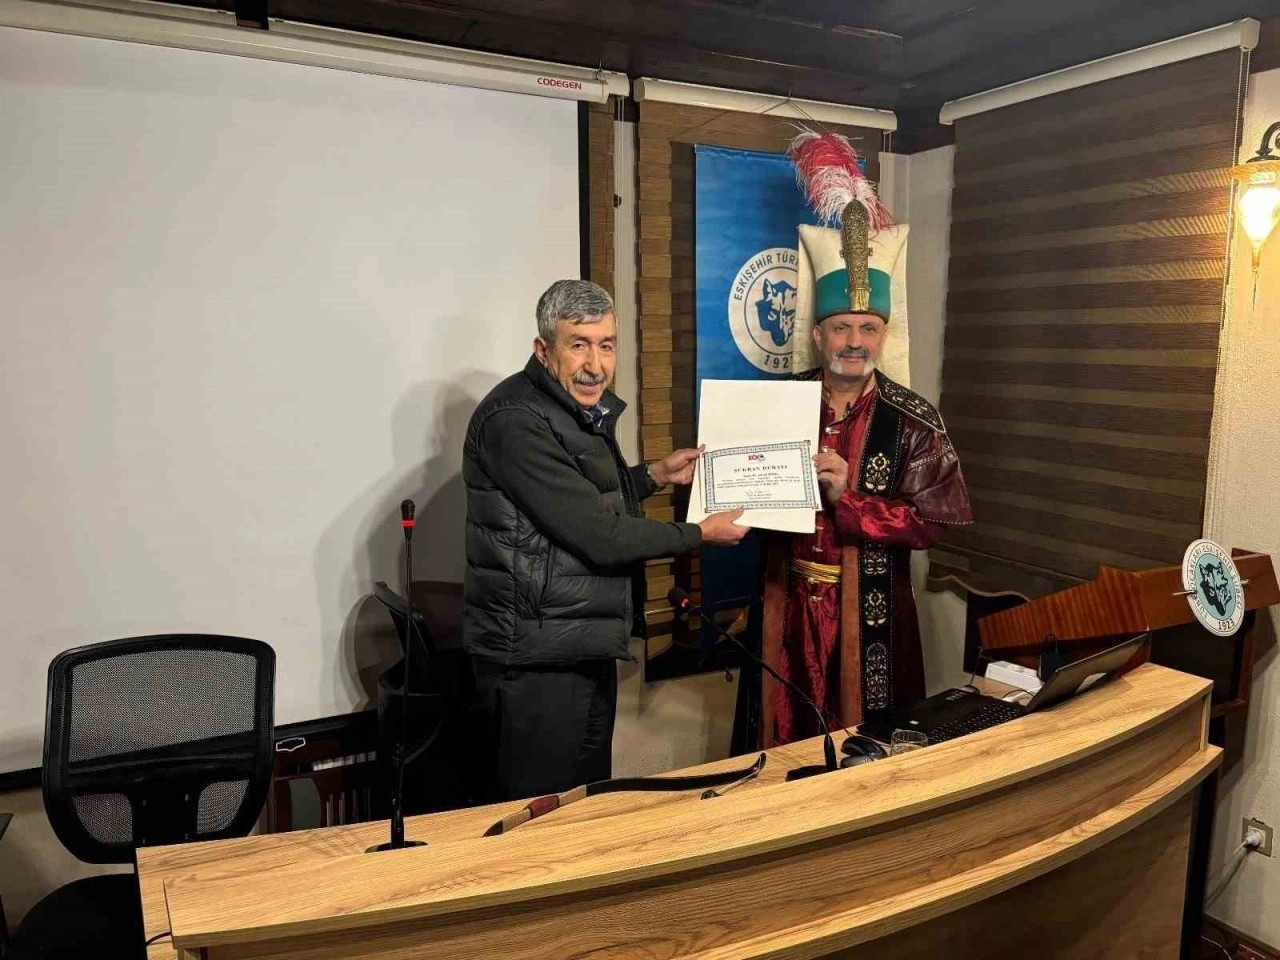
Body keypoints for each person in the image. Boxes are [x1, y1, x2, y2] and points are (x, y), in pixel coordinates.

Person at [463, 279, 748, 800]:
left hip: (575, 642)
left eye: (607, 345)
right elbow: (597, 534)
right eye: (579, 345)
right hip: (535, 658)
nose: (595, 365)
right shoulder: (516, 421)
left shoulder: (562, 407)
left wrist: (653, 475)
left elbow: (577, 500)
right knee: (541, 817)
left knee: (585, 803)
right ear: (543, 350)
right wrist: (699, 534)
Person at [760, 131, 973, 747]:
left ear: (882, 335)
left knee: (865, 752)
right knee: (781, 745)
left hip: (870, 613)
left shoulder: (913, 418)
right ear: (818, 335)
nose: (854, 341)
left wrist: (848, 500)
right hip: (786, 605)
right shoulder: (777, 404)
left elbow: (932, 523)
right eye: (841, 327)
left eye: (868, 328)